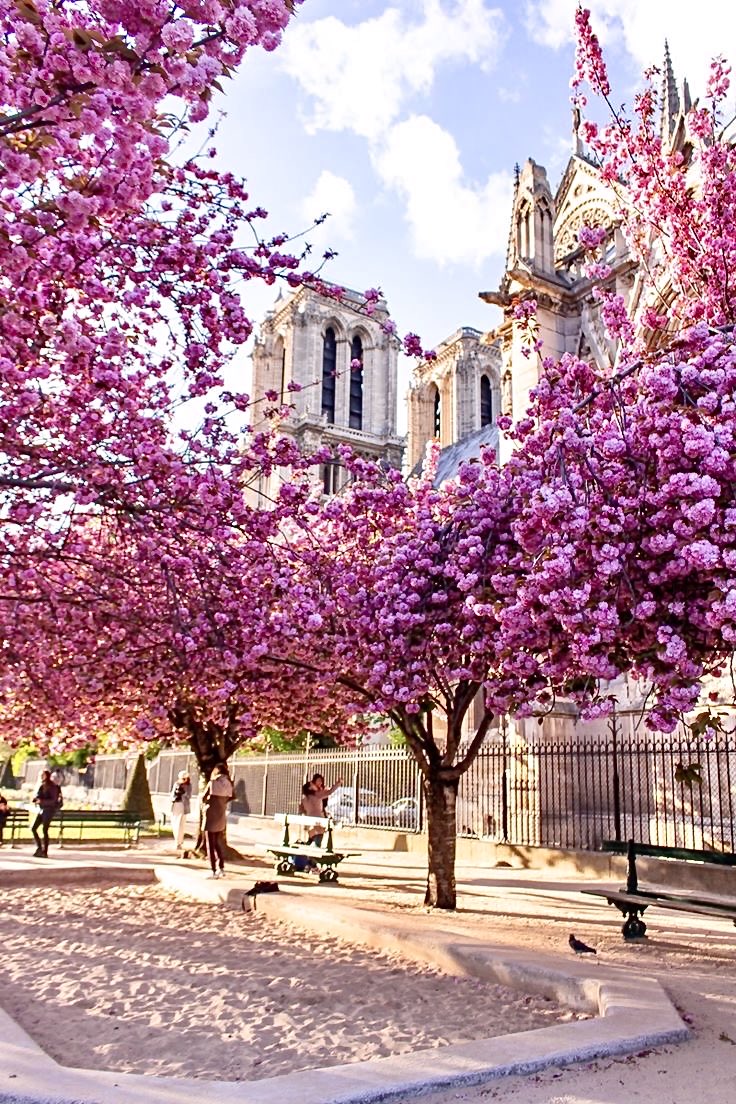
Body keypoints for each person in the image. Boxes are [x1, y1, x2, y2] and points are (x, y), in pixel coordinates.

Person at [201, 763, 233, 878]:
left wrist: (208, 801)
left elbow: (203, 798)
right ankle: (221, 868)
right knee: (218, 843)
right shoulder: (228, 784)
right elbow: (230, 797)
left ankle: (213, 870)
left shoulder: (212, 783)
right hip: (221, 816)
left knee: (210, 843)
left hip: (210, 815)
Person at [31, 770, 63, 857]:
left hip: (49, 810)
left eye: (43, 775)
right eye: (40, 775)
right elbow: (39, 795)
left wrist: (41, 801)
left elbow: (53, 800)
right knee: (33, 828)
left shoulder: (52, 786)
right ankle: (39, 848)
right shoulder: (42, 785)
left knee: (45, 830)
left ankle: (45, 851)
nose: (41, 776)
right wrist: (35, 799)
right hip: (41, 810)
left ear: (47, 776)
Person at [170, 770, 192, 854]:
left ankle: (179, 842)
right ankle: (177, 840)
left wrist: (183, 792)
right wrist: (175, 795)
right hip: (175, 804)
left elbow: (188, 796)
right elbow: (172, 794)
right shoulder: (176, 784)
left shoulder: (188, 785)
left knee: (180, 824)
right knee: (175, 823)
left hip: (183, 806)